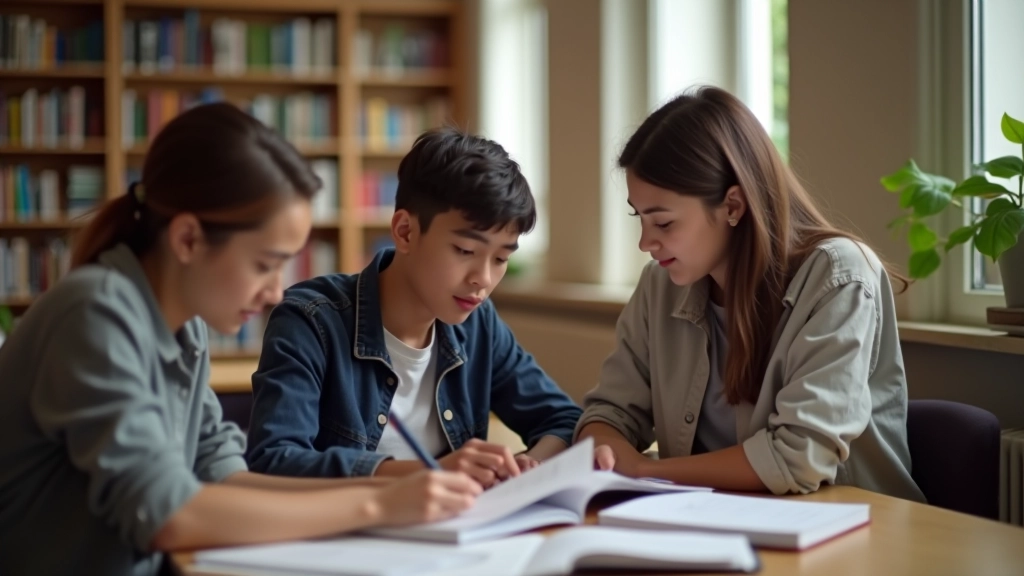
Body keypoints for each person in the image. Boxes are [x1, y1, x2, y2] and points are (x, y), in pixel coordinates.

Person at [0, 103, 480, 576]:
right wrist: (376, 507)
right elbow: (168, 515)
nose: (276, 290)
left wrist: (391, 492)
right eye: (265, 263)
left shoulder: (185, 323)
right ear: (188, 239)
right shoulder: (95, 314)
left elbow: (225, 474)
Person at [575, 86, 926, 502]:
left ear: (733, 206)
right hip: (710, 524)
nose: (645, 243)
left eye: (664, 223)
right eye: (640, 218)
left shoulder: (839, 277)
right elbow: (609, 413)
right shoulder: (659, 286)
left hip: (849, 535)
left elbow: (798, 458)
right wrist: (609, 446)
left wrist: (646, 470)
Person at [246, 127, 582, 486]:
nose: (482, 279)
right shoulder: (310, 320)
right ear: (405, 232)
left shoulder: (478, 323)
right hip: (351, 532)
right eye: (465, 251)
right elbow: (274, 458)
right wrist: (430, 474)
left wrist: (526, 466)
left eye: (500, 258)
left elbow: (563, 420)